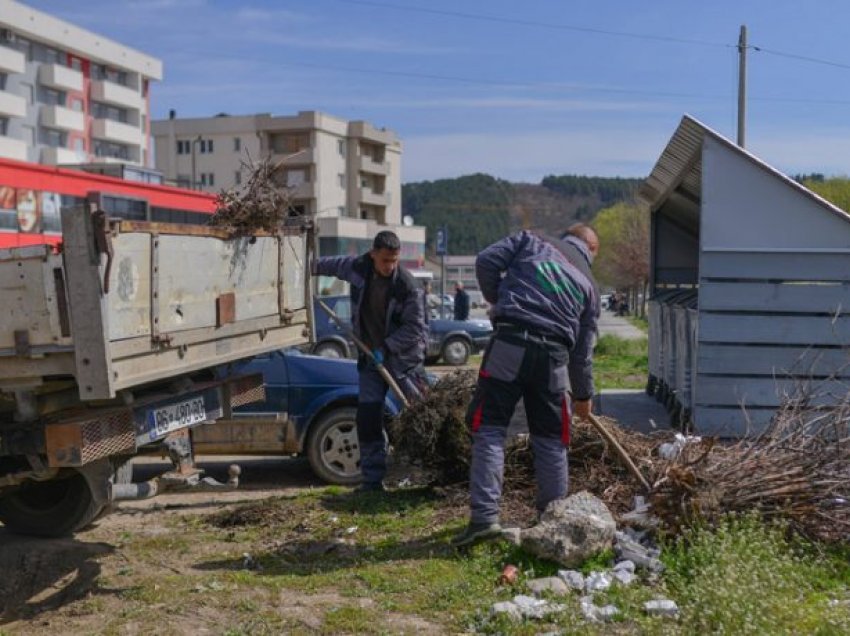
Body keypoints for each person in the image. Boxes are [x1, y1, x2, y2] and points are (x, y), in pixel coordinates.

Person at [452, 225, 600, 546]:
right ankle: (552, 522)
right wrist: (584, 394)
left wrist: (499, 297)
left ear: (566, 235)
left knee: (490, 428)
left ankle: (484, 521)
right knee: (550, 439)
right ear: (592, 250)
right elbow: (583, 353)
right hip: (555, 358)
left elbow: (486, 261)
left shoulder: (531, 239)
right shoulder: (590, 286)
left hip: (510, 341)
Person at [312, 231, 428, 492]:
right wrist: (307, 267)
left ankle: (431, 469)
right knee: (368, 417)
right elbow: (329, 265)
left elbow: (415, 329)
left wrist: (386, 348)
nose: (390, 266)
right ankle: (373, 480)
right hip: (370, 360)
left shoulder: (407, 287)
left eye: (394, 261)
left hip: (403, 362)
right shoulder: (359, 268)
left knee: (422, 414)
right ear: (373, 254)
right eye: (385, 260)